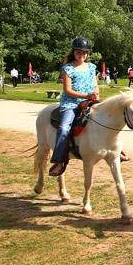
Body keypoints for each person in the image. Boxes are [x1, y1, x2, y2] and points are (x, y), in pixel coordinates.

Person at [48, 37, 100, 177]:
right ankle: (59, 159)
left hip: (90, 100)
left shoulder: (91, 67)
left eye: (84, 53)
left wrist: (96, 96)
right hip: (71, 103)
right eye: (78, 53)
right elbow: (68, 90)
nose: (81, 55)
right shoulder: (68, 68)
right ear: (74, 52)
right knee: (64, 127)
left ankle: (116, 151)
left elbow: (95, 85)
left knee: (108, 118)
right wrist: (86, 97)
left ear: (87, 53)